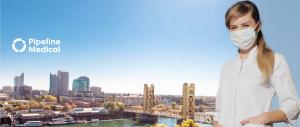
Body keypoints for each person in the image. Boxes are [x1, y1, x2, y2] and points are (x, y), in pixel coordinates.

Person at [213, 1, 300, 127]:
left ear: (258, 26)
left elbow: (293, 104)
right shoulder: (227, 67)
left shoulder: (275, 60)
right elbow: (219, 110)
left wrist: (265, 118)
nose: (240, 31)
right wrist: (216, 123)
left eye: (245, 25)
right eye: (234, 27)